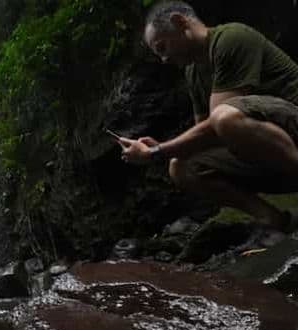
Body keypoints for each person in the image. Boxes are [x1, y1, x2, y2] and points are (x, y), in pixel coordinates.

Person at [119, 1, 298, 235]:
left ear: (180, 22)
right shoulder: (193, 73)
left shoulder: (231, 38)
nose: (163, 59)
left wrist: (156, 152)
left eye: (162, 47)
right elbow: (204, 136)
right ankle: (274, 220)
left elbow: (218, 123)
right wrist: (167, 150)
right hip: (269, 153)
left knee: (225, 118)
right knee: (181, 166)